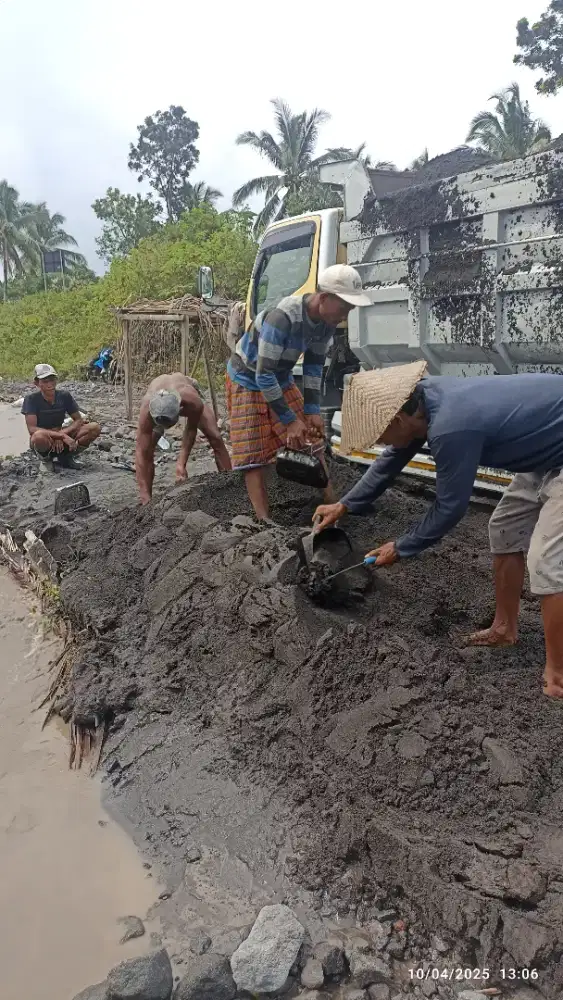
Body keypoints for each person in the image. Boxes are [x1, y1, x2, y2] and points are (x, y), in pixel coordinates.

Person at [313, 360, 563, 699]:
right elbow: (392, 460)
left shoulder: (450, 425)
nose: (383, 444)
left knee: (545, 559)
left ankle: (558, 672)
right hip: (546, 450)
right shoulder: (424, 399)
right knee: (504, 528)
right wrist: (345, 504)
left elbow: (450, 507)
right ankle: (504, 629)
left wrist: (401, 546)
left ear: (398, 420)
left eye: (382, 435)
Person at [226, 264, 371, 519]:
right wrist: (290, 421)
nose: (346, 314)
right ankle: (264, 522)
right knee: (254, 453)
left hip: (279, 376)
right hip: (247, 377)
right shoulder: (282, 318)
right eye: (345, 307)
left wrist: (312, 410)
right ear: (324, 298)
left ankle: (332, 505)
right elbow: (263, 375)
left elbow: (314, 367)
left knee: (312, 437)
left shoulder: (325, 323)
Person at [135, 372, 231, 505]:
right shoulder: (147, 407)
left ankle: (230, 486)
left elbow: (191, 429)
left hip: (185, 389)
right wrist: (143, 495)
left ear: (180, 408)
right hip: (158, 400)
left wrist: (181, 464)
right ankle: (147, 500)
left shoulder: (192, 400)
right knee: (148, 448)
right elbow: (140, 451)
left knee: (215, 436)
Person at [22, 363, 101, 472]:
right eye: (45, 381)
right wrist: (60, 436)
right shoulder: (31, 399)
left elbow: (78, 420)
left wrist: (62, 435)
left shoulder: (64, 396)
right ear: (36, 383)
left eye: (52, 380)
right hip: (45, 440)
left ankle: (66, 457)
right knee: (38, 436)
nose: (50, 384)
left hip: (62, 433)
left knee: (94, 427)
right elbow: (32, 429)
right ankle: (46, 459)